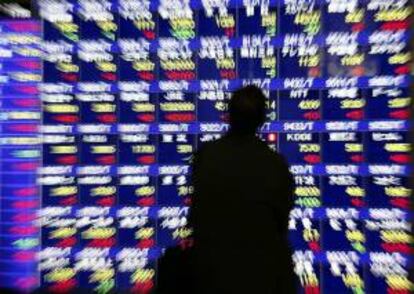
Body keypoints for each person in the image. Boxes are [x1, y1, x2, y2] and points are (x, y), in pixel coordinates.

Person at [189, 85, 296, 294]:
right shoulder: (275, 164)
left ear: (228, 116)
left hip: (211, 275)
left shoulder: (206, 157)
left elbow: (196, 217)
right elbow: (281, 222)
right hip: (263, 277)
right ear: (262, 121)